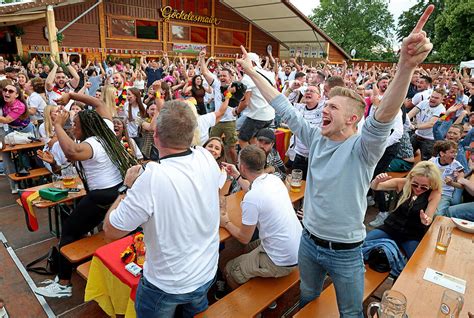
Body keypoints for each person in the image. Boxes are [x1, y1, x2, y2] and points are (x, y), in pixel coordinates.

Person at [234, 5, 435, 315]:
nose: (324, 110)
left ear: (353, 119)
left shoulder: (364, 147)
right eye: (325, 105)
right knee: (309, 295)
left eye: (333, 108)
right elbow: (281, 104)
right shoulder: (315, 138)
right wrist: (251, 72)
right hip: (308, 243)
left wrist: (405, 66)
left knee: (351, 312)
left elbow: (383, 116)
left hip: (346, 253)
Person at [103, 101, 221, 317]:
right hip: (205, 274)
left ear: (155, 135)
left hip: (166, 285)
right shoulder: (207, 157)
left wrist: (126, 187)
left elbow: (111, 231)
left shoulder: (152, 177)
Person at [35, 106, 137, 298]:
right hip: (113, 192)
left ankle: (64, 284)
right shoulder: (102, 133)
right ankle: (80, 266)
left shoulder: (92, 143)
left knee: (68, 232)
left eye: (75, 125)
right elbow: (97, 103)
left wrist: (58, 125)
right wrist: (54, 163)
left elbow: (72, 152)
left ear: (86, 127)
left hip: (101, 196)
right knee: (80, 229)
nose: (73, 128)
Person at [220, 145, 301, 289]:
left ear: (243, 167)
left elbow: (244, 238)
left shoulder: (252, 198)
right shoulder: (273, 180)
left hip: (281, 261)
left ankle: (246, 306)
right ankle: (257, 279)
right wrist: (237, 176)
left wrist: (225, 222)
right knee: (248, 249)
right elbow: (253, 189)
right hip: (298, 250)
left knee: (229, 268)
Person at [367, 161, 442, 258]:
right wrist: (377, 181)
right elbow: (376, 187)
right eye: (415, 184)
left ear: (432, 184)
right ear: (411, 178)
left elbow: (429, 217)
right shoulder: (402, 183)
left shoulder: (434, 193)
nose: (418, 189)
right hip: (391, 228)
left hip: (412, 235)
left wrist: (426, 220)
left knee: (416, 261)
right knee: (361, 245)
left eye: (424, 187)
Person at [199, 50, 239, 164]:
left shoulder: (235, 86)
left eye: (224, 76)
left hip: (230, 121)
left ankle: (234, 166)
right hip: (217, 120)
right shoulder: (216, 84)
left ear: (230, 77)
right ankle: (210, 164)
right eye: (220, 75)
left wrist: (237, 110)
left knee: (231, 147)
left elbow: (244, 99)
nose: (221, 77)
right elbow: (204, 72)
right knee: (210, 144)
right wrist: (202, 59)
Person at [233, 53, 276, 148]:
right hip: (269, 115)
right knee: (254, 139)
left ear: (250, 62)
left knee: (242, 139)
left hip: (257, 115)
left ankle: (251, 160)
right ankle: (259, 157)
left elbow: (245, 102)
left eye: (243, 62)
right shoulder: (269, 74)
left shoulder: (247, 78)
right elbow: (275, 91)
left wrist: (236, 111)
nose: (241, 66)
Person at [408, 88, 447, 160]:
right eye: (432, 96)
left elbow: (431, 124)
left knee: (425, 162)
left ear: (442, 99)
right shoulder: (424, 102)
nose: (433, 99)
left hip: (429, 140)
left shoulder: (443, 110)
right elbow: (412, 112)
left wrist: (414, 126)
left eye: (436, 98)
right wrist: (406, 120)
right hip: (417, 135)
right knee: (406, 156)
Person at [430, 140, 464, 215]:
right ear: (442, 153)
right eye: (452, 152)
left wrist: (451, 183)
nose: (455, 155)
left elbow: (461, 186)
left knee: (436, 215)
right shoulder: (432, 162)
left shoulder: (457, 165)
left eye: (456, 152)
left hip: (444, 194)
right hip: (429, 190)